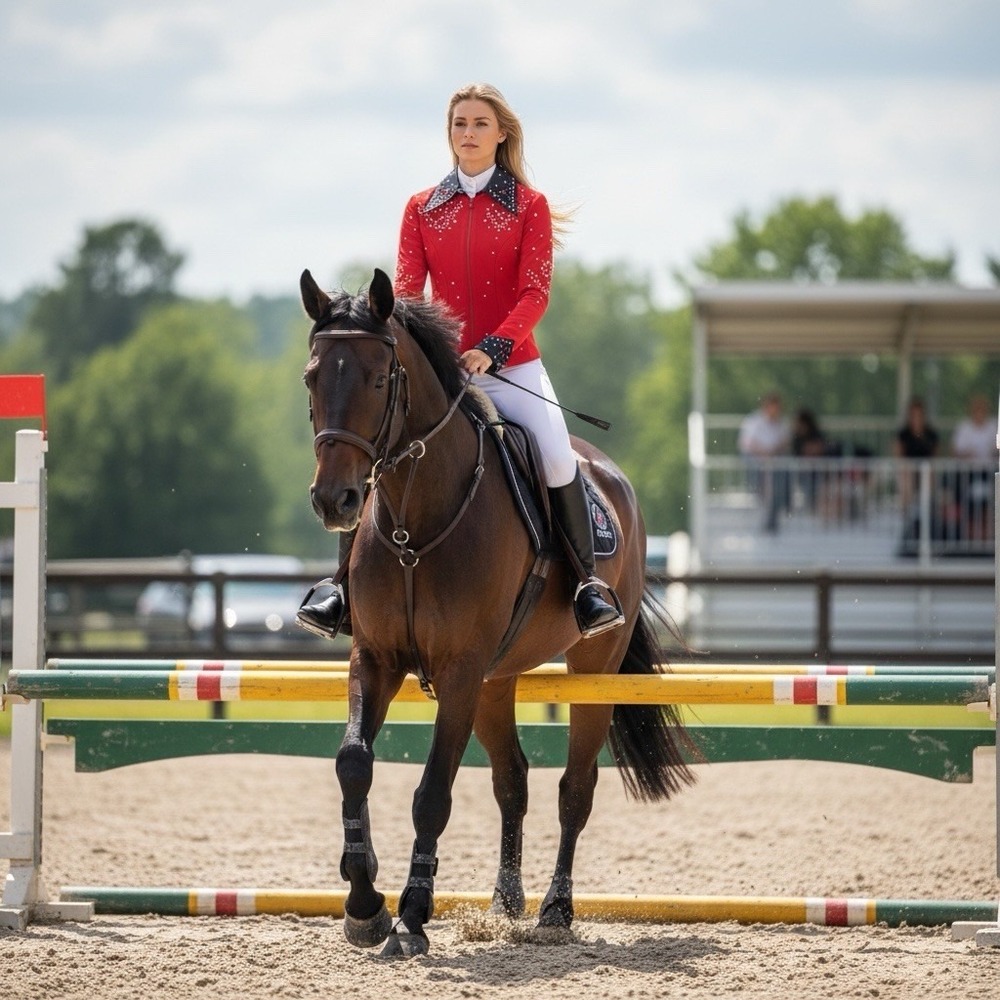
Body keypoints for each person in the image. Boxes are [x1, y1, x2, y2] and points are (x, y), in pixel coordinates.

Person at [298, 83, 623, 640]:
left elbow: (534, 294)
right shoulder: (422, 207)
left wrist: (493, 348)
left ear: (502, 134)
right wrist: (438, 355)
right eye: (459, 124)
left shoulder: (529, 207)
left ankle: (587, 586)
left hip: (512, 365)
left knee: (555, 454)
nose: (467, 133)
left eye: (478, 124)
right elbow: (405, 291)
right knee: (379, 452)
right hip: (441, 370)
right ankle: (340, 588)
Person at [738, 392, 791, 533]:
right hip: (757, 462)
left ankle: (773, 519)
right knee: (762, 492)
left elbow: (785, 442)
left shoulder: (782, 423)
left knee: (778, 487)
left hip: (775, 464)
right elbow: (747, 444)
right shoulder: (753, 421)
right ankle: (764, 516)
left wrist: (773, 453)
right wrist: (765, 453)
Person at [948, 394, 998, 542]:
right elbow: (955, 452)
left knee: (992, 503)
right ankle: (968, 538)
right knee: (965, 503)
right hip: (968, 474)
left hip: (990, 472)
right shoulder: (964, 428)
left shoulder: (994, 427)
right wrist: (968, 454)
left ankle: (990, 538)